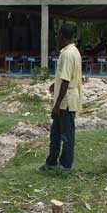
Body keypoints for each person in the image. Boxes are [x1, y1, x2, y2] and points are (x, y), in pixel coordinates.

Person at [38, 24, 82, 172]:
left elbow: (66, 81)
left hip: (66, 101)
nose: (57, 38)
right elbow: (65, 77)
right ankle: (51, 161)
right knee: (55, 133)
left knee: (67, 135)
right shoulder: (73, 51)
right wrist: (55, 84)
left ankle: (65, 165)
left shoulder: (68, 54)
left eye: (58, 35)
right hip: (64, 98)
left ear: (62, 36)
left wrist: (56, 106)